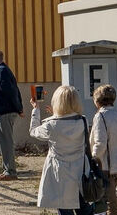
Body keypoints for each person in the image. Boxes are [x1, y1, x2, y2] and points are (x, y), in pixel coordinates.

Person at [30, 85, 92, 215]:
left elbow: (34, 131)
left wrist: (36, 110)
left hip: (59, 172)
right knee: (83, 206)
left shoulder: (51, 125)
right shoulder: (83, 121)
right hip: (80, 170)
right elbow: (68, 123)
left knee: (63, 208)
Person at [89, 84, 117, 215]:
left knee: (103, 202)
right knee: (111, 199)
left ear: (97, 101)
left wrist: (93, 160)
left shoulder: (100, 116)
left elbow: (100, 142)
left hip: (104, 165)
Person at [0, 49, 24, 180]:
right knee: (3, 141)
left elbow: (11, 92)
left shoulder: (2, 72)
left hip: (4, 112)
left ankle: (10, 172)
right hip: (3, 111)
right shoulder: (2, 71)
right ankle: (7, 170)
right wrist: (19, 108)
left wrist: (18, 109)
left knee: (6, 142)